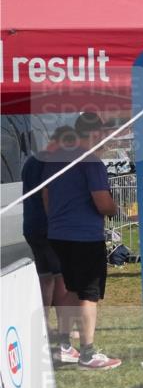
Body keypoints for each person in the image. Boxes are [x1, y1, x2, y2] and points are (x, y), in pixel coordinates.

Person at [41, 113, 121, 370]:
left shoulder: (56, 159)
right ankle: (87, 353)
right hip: (84, 237)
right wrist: (115, 209)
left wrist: (57, 219)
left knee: (71, 289)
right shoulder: (92, 162)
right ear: (96, 133)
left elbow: (46, 195)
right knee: (88, 293)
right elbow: (102, 202)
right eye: (103, 133)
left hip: (58, 234)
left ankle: (65, 346)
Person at [22, 126, 75, 333]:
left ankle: (43, 326)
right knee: (61, 277)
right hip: (50, 228)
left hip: (31, 226)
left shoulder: (30, 162)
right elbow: (50, 196)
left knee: (45, 278)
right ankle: (63, 327)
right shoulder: (53, 163)